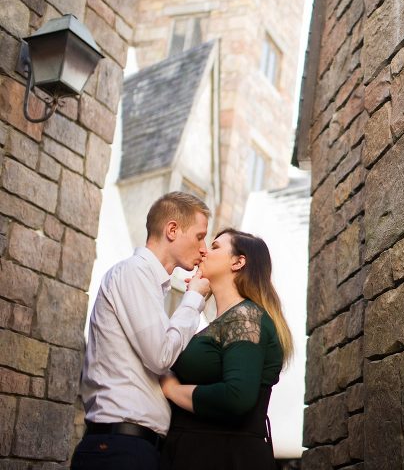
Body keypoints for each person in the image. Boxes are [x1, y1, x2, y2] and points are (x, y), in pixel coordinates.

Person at [72, 192, 212, 470]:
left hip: (133, 448)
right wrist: (194, 299)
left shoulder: (149, 285)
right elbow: (160, 355)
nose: (204, 248)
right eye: (199, 236)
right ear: (172, 230)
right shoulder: (132, 273)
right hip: (118, 450)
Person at [158, 228, 293, 470]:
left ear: (238, 262)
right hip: (198, 451)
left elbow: (237, 396)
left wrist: (173, 390)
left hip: (222, 455)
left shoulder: (245, 317)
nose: (204, 252)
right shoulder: (228, 320)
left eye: (215, 247)